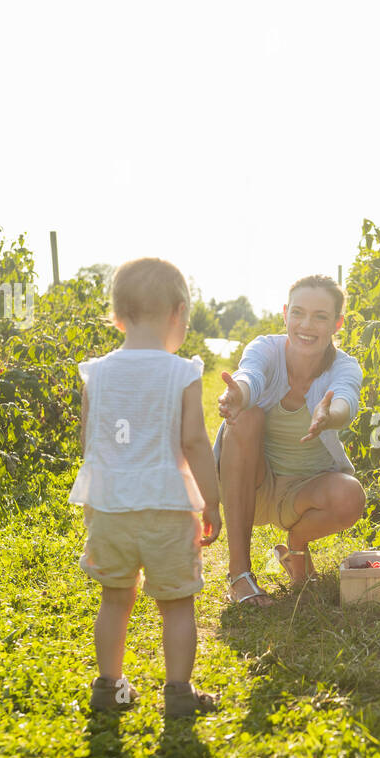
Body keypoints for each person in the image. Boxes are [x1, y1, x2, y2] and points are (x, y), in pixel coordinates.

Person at [69, 258, 224, 717]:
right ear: (178, 313)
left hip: (110, 507)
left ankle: (109, 685)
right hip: (168, 508)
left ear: (117, 317)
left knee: (115, 599)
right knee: (177, 605)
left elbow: (88, 437)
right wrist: (210, 501)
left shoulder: (96, 372)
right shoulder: (181, 373)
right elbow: (194, 441)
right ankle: (178, 692)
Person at [215, 275, 366, 606]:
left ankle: (296, 543)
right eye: (298, 312)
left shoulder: (345, 367)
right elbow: (250, 375)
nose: (306, 325)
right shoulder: (266, 349)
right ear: (285, 313)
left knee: (351, 495)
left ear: (337, 323)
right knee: (246, 417)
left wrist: (330, 415)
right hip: (256, 484)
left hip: (306, 491)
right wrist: (240, 393)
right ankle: (240, 575)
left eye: (321, 316)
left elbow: (345, 400)